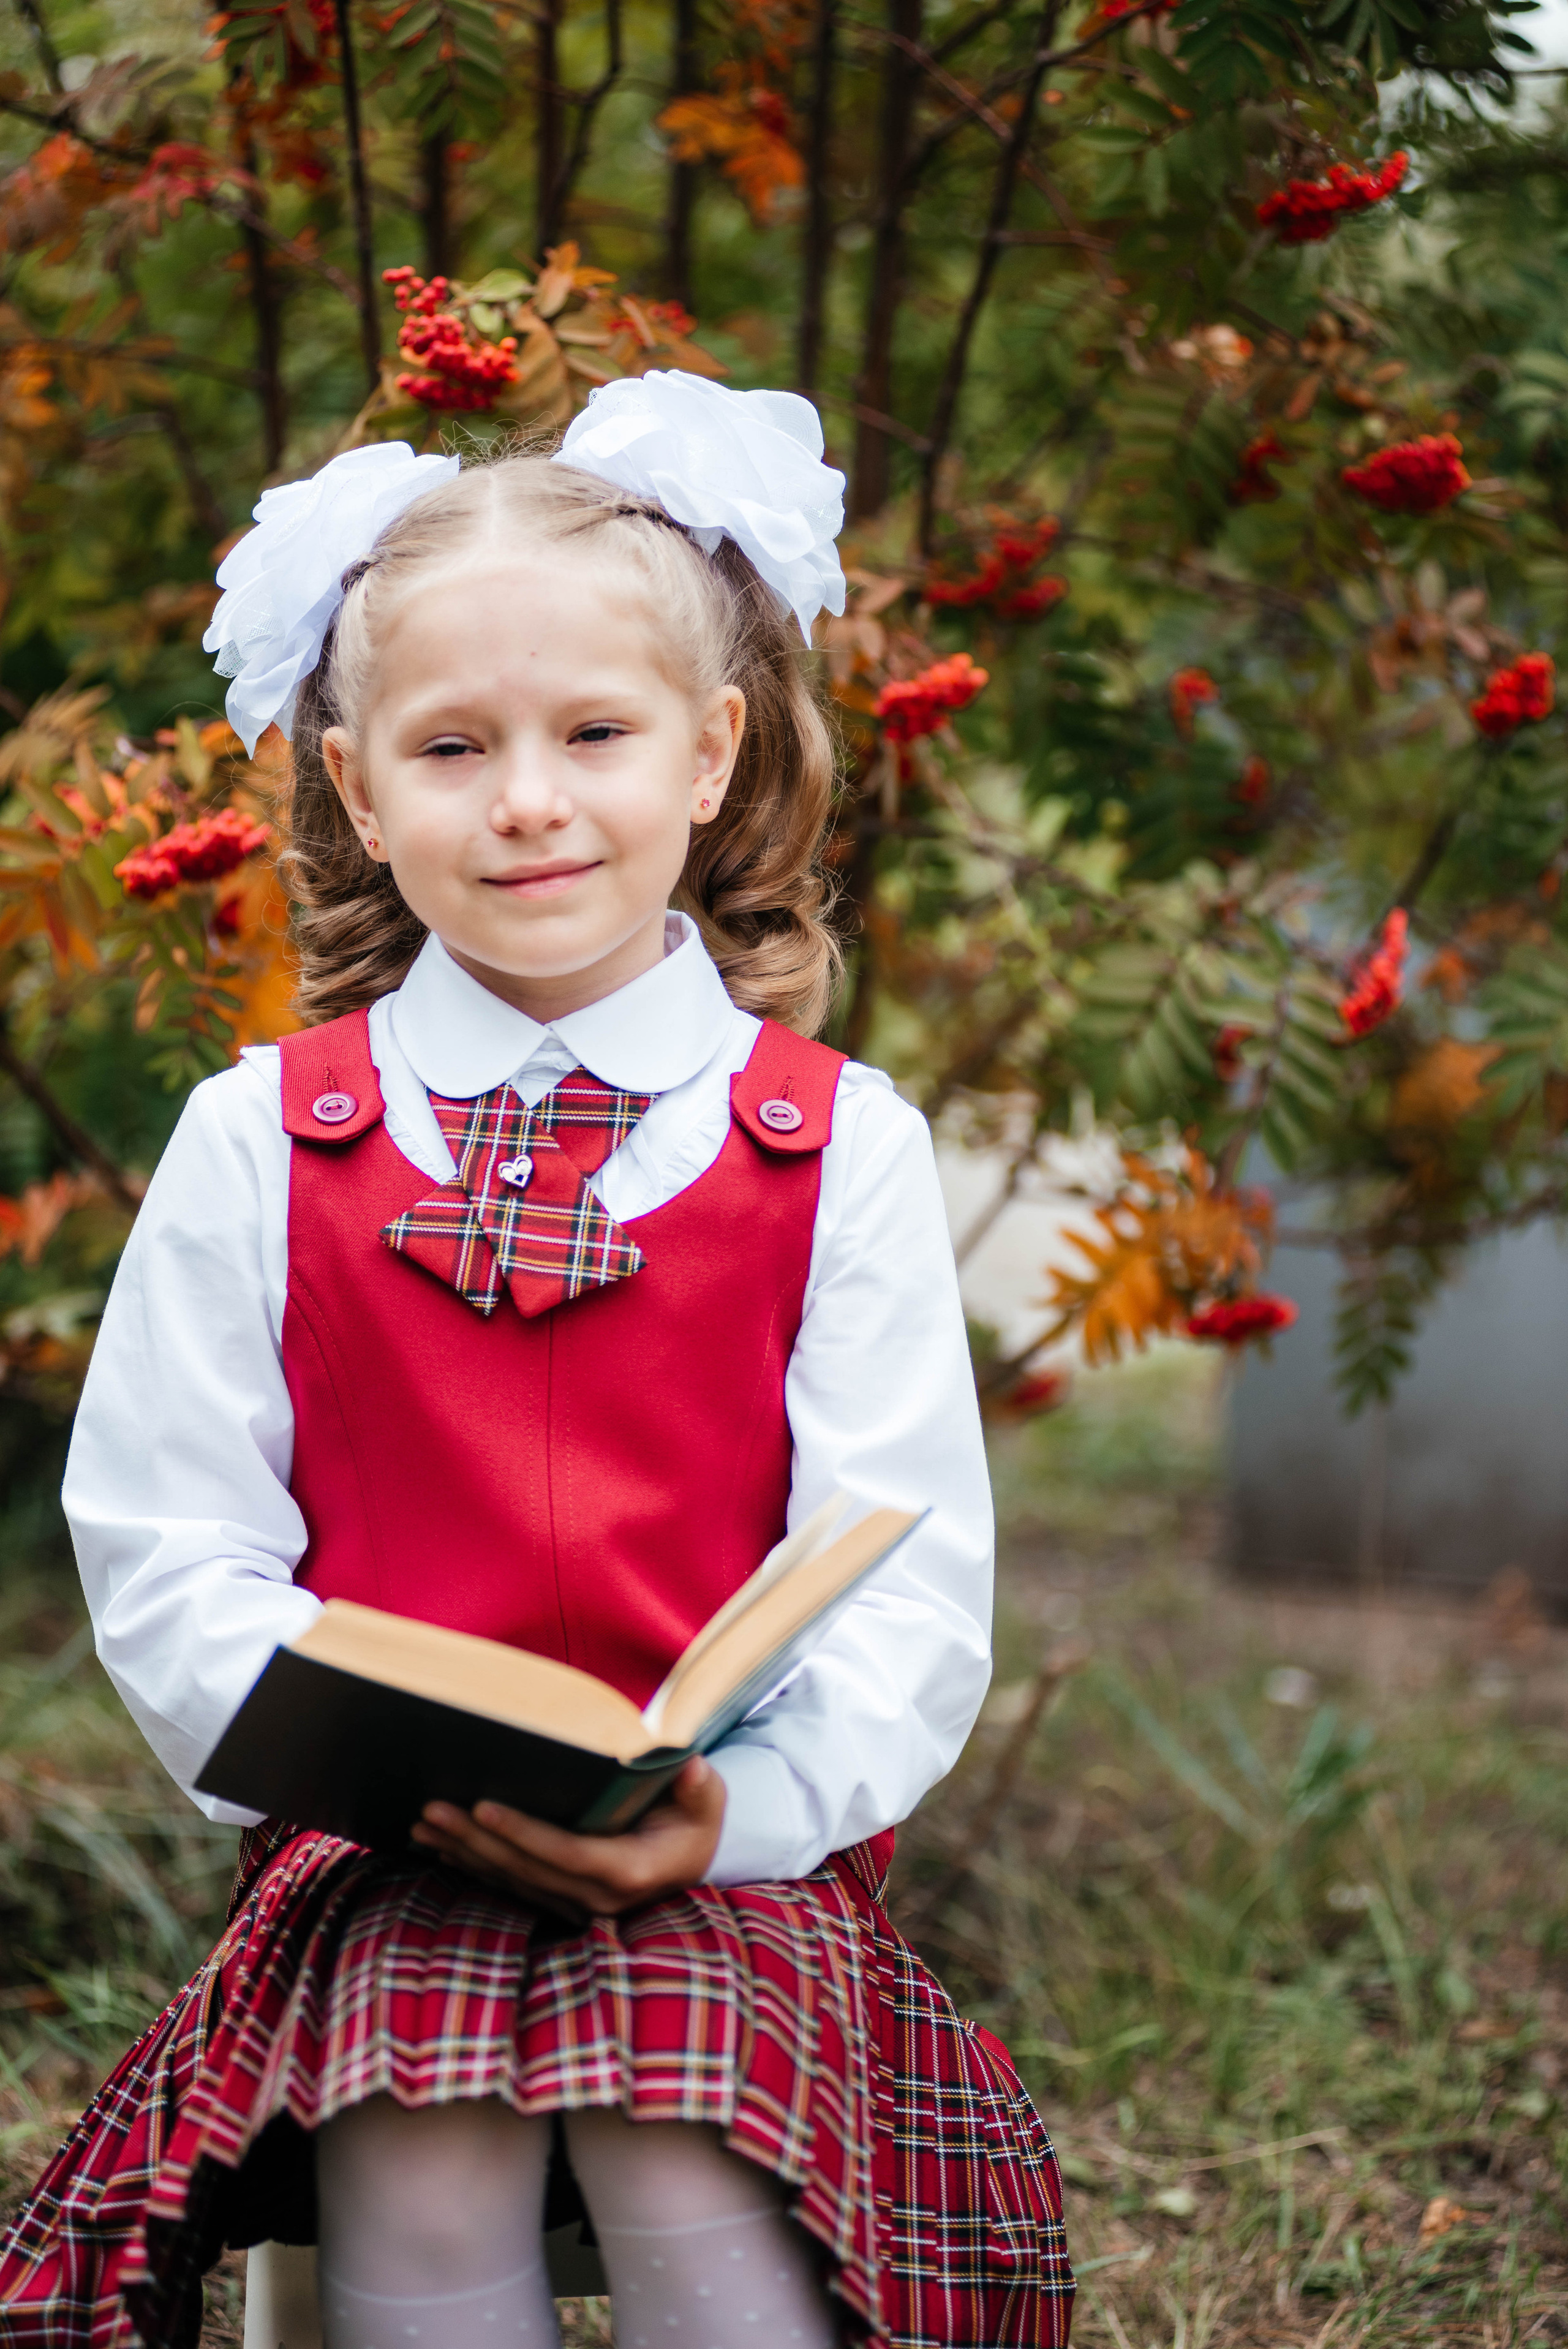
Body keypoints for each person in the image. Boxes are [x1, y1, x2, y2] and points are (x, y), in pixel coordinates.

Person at [0, 373, 1074, 2349]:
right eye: (451, 744)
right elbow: (166, 1534)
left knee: (681, 2128)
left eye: (594, 732)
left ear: (710, 751)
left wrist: (728, 1814)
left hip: (732, 1853)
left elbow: (901, 1567)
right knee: (420, 2118)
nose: (526, 799)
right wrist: (334, 1763)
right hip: (386, 1850)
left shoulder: (834, 1145)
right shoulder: (268, 1138)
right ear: (351, 778)